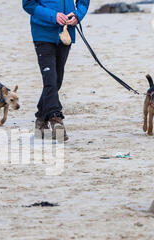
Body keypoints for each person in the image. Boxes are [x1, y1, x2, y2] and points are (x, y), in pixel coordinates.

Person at [22, 0, 90, 141]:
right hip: (43, 34)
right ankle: (56, 118)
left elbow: (84, 2)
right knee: (50, 80)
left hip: (65, 34)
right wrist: (54, 16)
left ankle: (41, 120)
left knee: (56, 81)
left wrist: (78, 15)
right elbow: (28, 4)